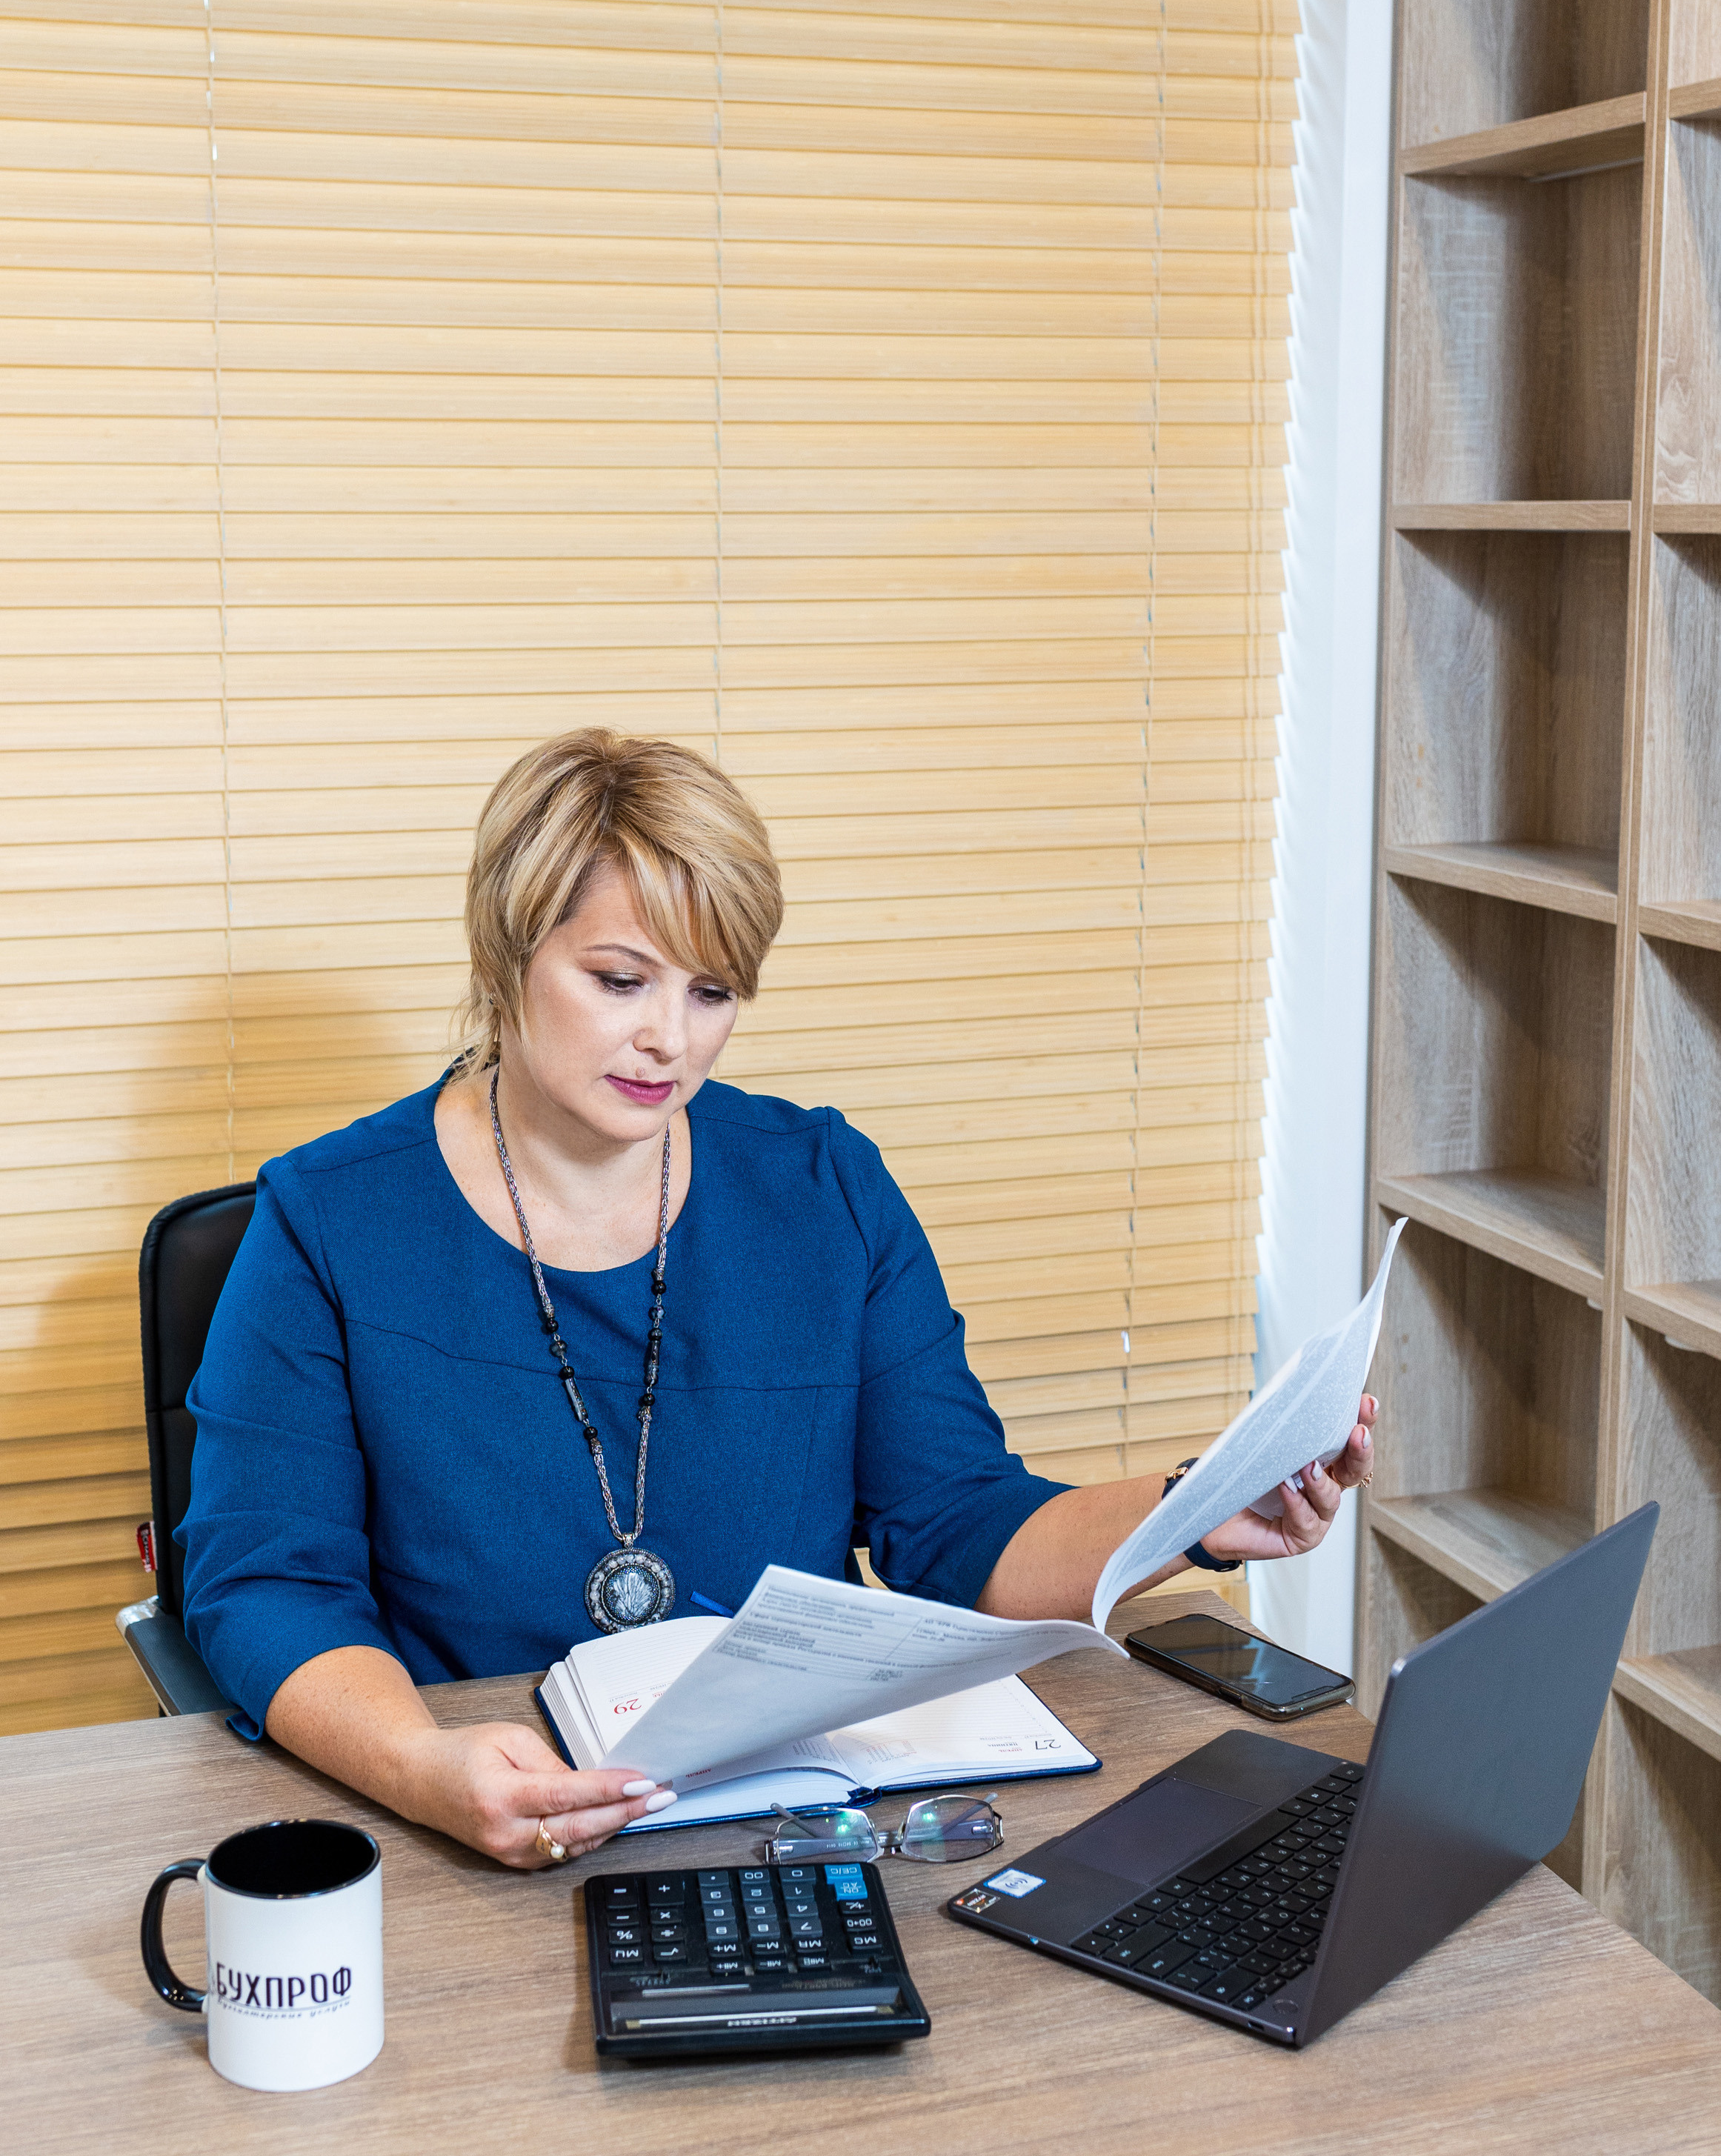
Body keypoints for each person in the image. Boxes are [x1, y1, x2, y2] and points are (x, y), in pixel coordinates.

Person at [182, 729, 1377, 1871]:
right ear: (507, 954)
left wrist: (1196, 1513)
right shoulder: (330, 1222)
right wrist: (424, 1768)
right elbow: (268, 1585)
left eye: (711, 994)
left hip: (785, 1820)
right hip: (473, 1817)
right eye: (618, 979)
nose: (668, 1041)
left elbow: (956, 1525)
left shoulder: (822, 1188)